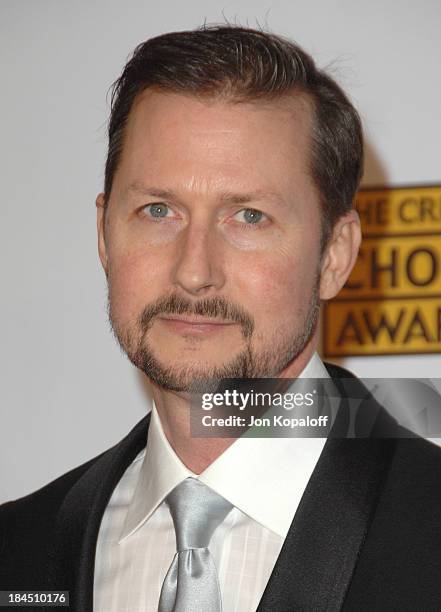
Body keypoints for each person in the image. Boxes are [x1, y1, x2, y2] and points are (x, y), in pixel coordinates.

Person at [1, 25, 441, 612]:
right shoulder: (17, 550)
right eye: (158, 210)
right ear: (105, 236)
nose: (193, 271)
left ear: (335, 256)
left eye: (249, 217)